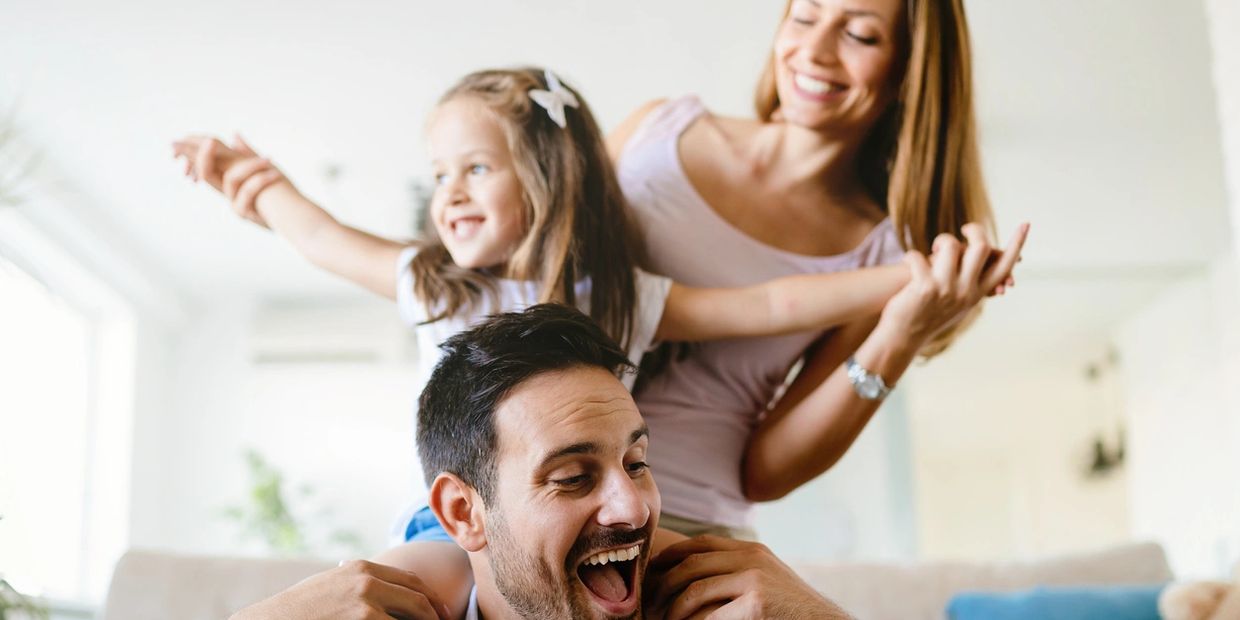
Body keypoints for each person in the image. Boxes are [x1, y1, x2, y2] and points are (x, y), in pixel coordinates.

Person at [174, 66, 1013, 614]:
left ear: (541, 175)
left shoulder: (622, 297)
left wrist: (919, 279)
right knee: (398, 598)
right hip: (451, 537)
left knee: (707, 581)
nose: (448, 195)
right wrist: (261, 187)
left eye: (474, 169)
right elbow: (322, 238)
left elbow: (770, 303)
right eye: (438, 177)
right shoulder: (435, 284)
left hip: (626, 541)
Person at [606, 0, 1027, 537]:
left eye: (860, 36)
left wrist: (900, 334)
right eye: (805, 17)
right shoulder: (654, 130)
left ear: (910, 69)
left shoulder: (887, 257)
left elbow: (765, 475)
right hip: (531, 491)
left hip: (684, 522)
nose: (815, 50)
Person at [229, 304, 854, 620]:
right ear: (463, 510)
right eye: (573, 477)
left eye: (637, 462)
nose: (633, 505)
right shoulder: (422, 594)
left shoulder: (691, 594)